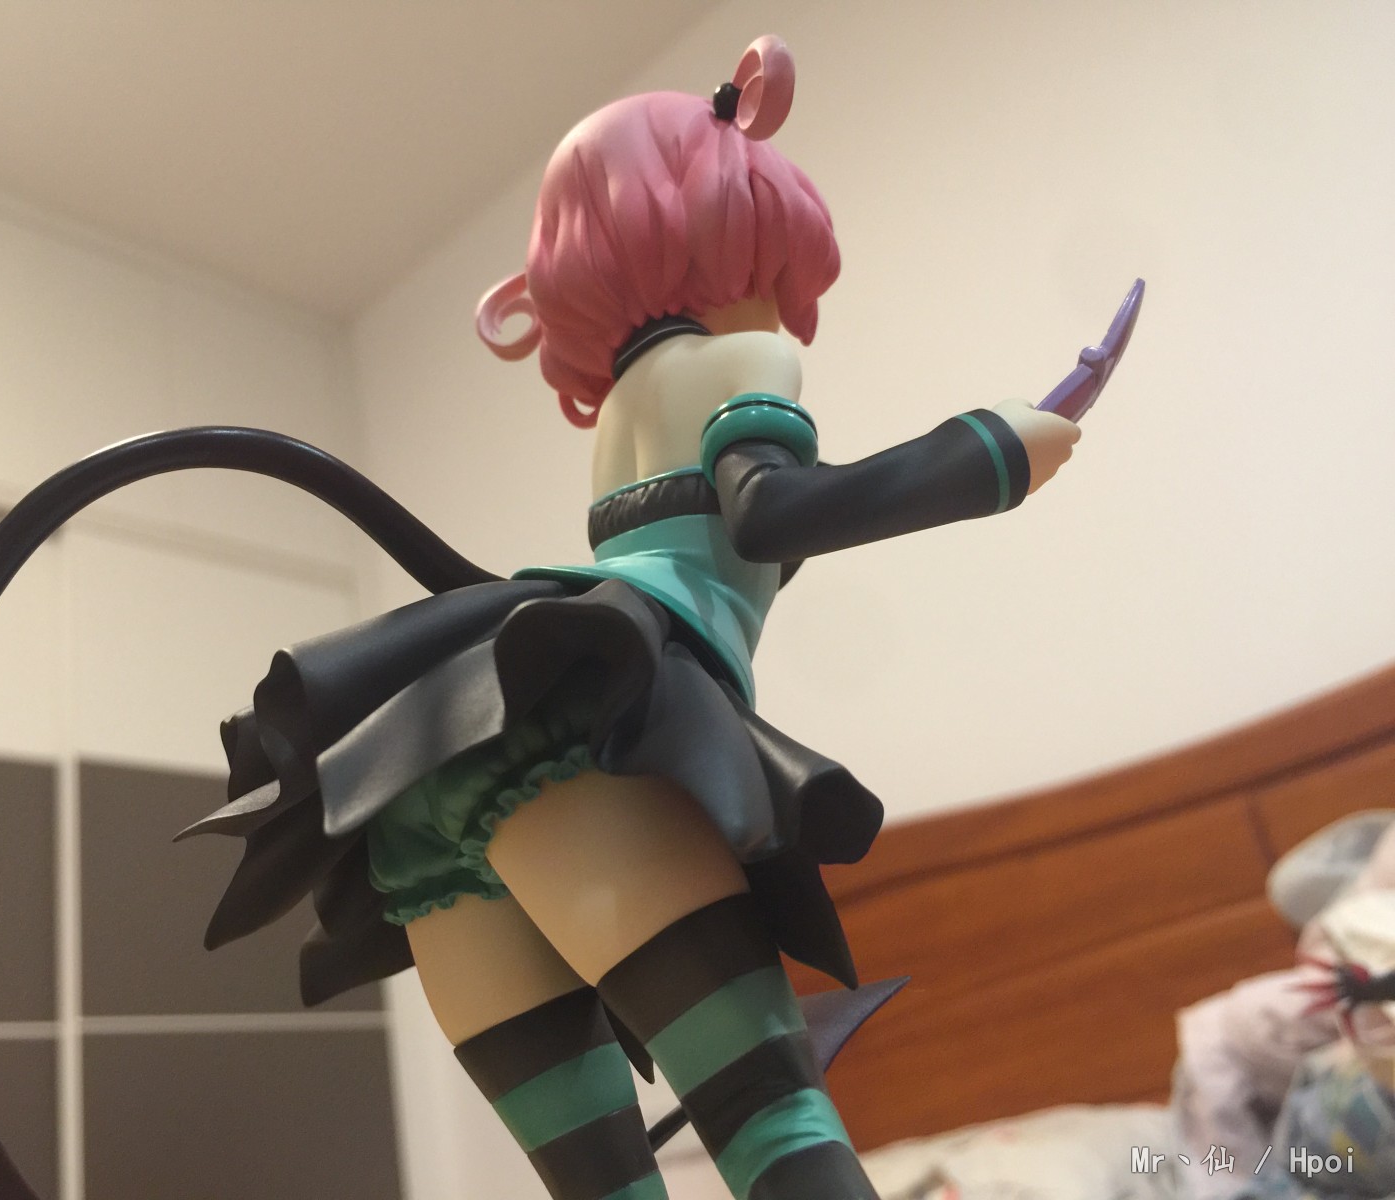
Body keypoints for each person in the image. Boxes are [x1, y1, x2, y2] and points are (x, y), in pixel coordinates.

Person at [184, 35, 1080, 1200]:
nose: (786, 305)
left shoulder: (620, 415)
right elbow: (767, 512)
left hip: (426, 788)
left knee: (601, 1183)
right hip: (574, 749)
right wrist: (991, 455)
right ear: (729, 232)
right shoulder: (740, 359)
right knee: (769, 1118)